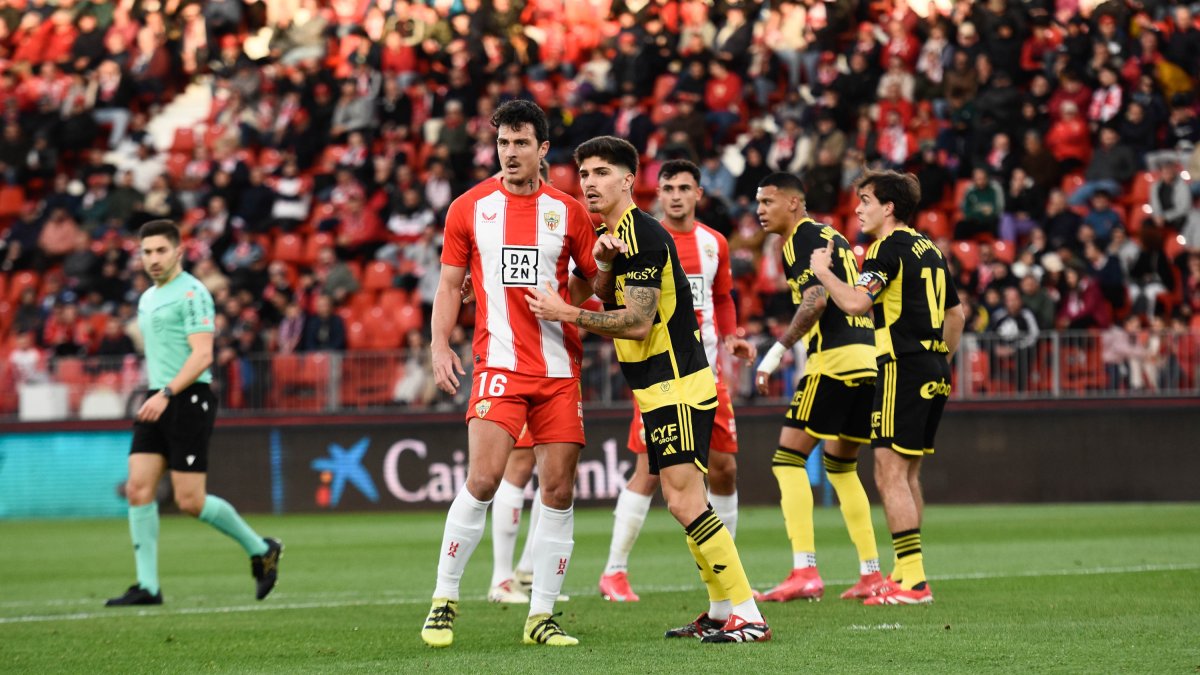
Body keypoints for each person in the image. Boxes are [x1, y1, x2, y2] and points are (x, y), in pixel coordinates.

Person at [527, 136, 770, 643]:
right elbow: (607, 291)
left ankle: (748, 613)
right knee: (685, 498)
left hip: (676, 384)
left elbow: (637, 322)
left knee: (685, 502)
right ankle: (722, 609)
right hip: (661, 387)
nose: (589, 182)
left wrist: (565, 313)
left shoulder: (642, 235)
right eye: (585, 173)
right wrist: (605, 266)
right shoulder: (616, 236)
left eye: (601, 173)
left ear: (627, 181)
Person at [421, 100, 598, 648]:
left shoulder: (568, 211)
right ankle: (444, 599)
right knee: (483, 479)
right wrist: (439, 346)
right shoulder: (469, 207)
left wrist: (567, 305)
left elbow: (592, 279)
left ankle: (540, 616)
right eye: (504, 142)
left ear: (543, 149)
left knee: (559, 489)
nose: (511, 152)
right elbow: (450, 285)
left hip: (558, 369)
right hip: (497, 364)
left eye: (522, 143)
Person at [598, 160, 757, 603]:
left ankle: (730, 582)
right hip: (661, 373)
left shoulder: (713, 244)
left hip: (707, 374)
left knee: (724, 469)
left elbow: (722, 296)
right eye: (668, 187)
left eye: (684, 188)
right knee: (652, 474)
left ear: (698, 194)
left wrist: (731, 337)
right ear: (657, 192)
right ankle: (615, 570)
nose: (676, 195)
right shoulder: (643, 239)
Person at [107, 219, 281, 607]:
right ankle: (148, 586)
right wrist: (159, 393)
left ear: (178, 252)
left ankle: (261, 548)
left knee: (190, 501)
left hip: (187, 398)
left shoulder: (193, 294)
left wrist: (167, 392)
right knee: (138, 489)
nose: (153, 259)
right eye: (147, 252)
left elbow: (203, 355)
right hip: (158, 396)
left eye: (160, 251)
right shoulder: (147, 298)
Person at [810, 170, 965, 605]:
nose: (857, 208)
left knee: (888, 470)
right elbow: (957, 316)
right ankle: (905, 570)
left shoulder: (886, 250)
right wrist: (940, 358)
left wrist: (823, 272)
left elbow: (857, 302)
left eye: (864, 199)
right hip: (933, 366)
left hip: (902, 364)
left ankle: (913, 581)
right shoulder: (929, 249)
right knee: (909, 471)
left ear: (888, 207)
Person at [751, 172, 885, 603]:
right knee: (842, 467)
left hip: (834, 362)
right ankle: (871, 572)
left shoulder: (801, 239)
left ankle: (804, 570)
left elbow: (816, 300)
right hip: (867, 357)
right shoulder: (833, 236)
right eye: (758, 202)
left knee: (787, 458)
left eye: (768, 201)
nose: (759, 210)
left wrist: (776, 351)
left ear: (793, 203)